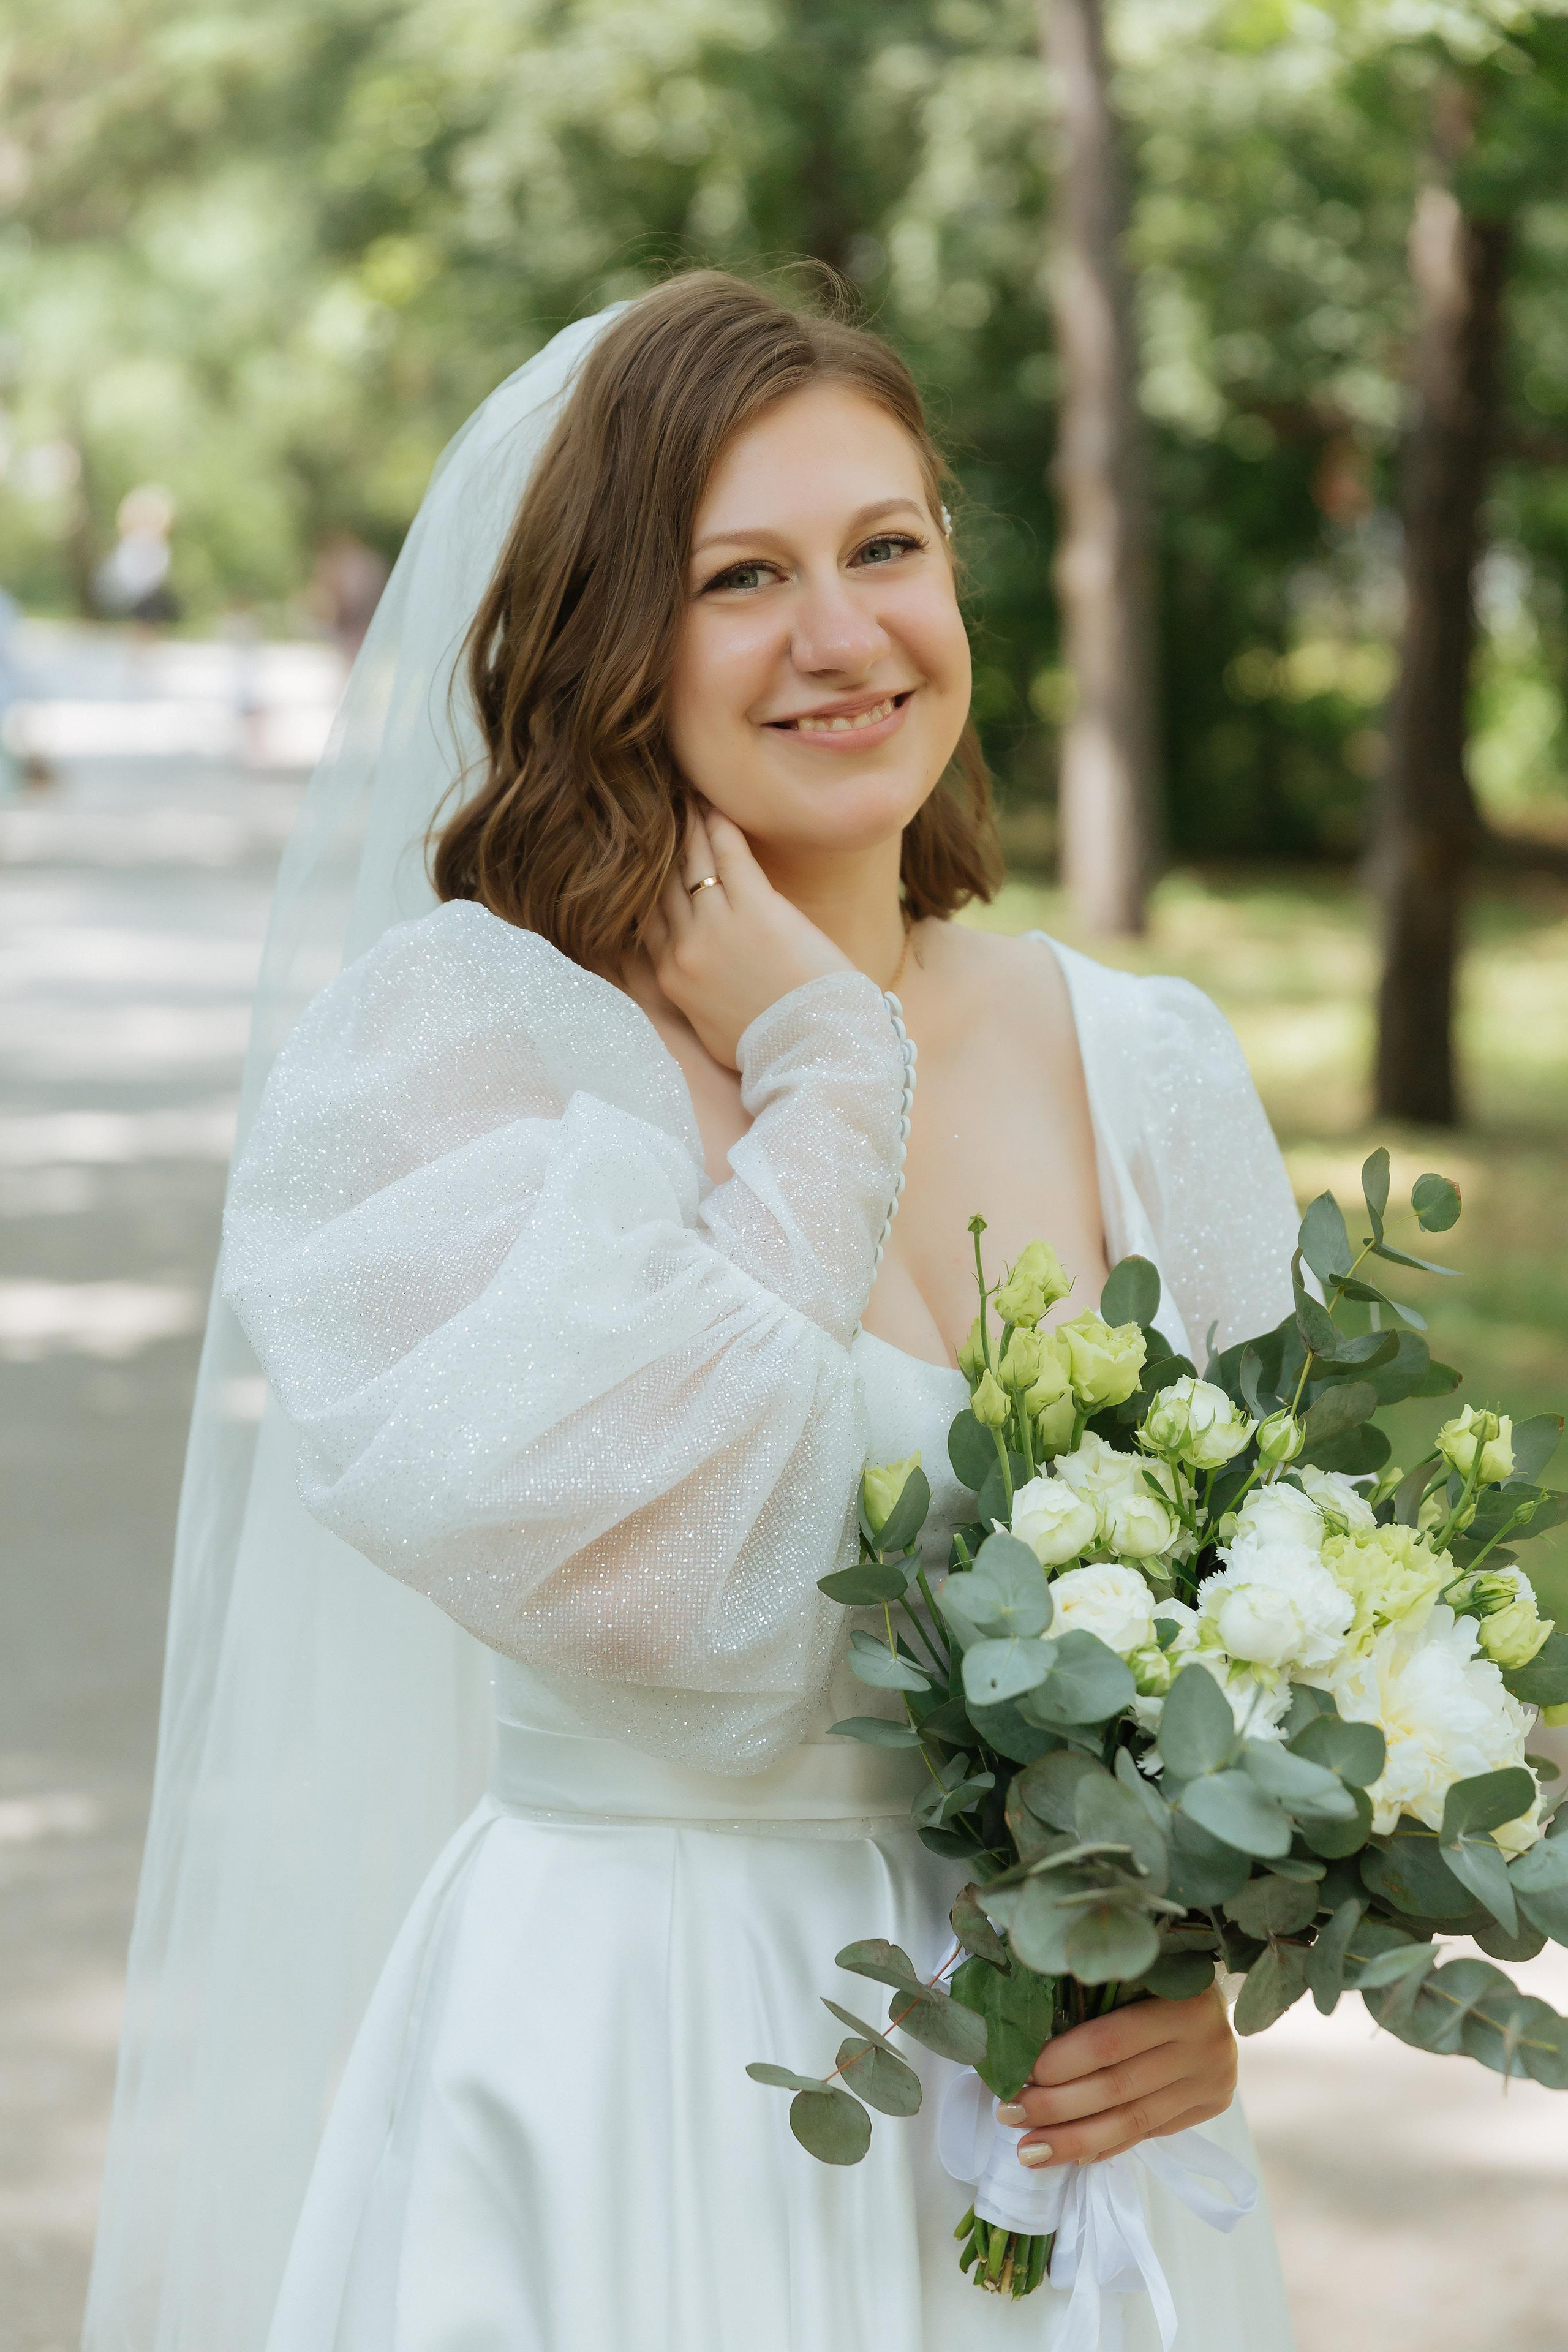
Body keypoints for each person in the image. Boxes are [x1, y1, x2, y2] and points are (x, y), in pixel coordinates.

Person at [85, 273, 1300, 2350]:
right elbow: (695, 1606)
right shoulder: (467, 1063)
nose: (843, 637)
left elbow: (1287, 1630)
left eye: (886, 548)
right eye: (742, 576)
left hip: (1035, 2113)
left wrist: (1205, 1978)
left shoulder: (1145, 1056)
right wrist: (824, 1068)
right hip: (629, 2068)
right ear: (607, 638)